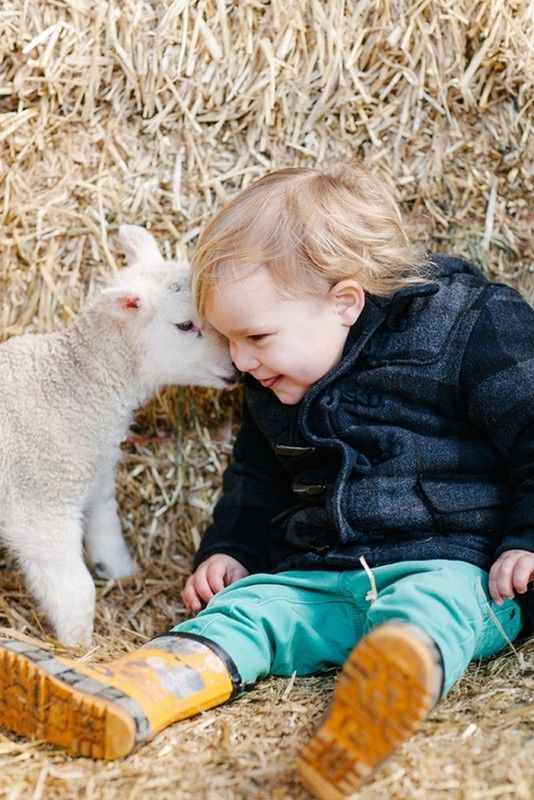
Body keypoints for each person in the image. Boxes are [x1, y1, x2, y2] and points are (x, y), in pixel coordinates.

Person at [0, 163, 532, 799]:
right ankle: (133, 691)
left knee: (433, 609)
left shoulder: (469, 326)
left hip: (452, 565)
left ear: (344, 301)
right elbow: (256, 474)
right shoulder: (273, 377)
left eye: (254, 337)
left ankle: (377, 700)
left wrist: (526, 537)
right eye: (227, 339)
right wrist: (232, 550)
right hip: (313, 579)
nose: (240, 361)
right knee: (241, 614)